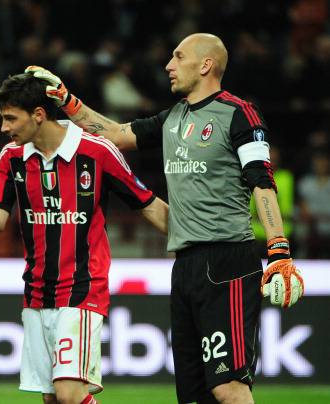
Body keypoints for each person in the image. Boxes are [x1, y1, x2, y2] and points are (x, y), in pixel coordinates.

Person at [26, 32, 305, 404]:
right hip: (185, 264)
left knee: (229, 388)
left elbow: (262, 182)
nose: (169, 65)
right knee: (193, 395)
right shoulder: (173, 117)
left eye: (178, 56)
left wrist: (279, 250)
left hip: (228, 260)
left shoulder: (239, 113)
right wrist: (66, 100)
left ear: (206, 65)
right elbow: (114, 135)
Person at [0, 73, 168, 404]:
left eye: (10, 118)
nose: (3, 128)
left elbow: (148, 205)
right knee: (53, 398)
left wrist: (198, 239)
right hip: (37, 292)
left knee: (70, 393)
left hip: (82, 287)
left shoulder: (96, 151)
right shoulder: (11, 157)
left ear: (39, 114)